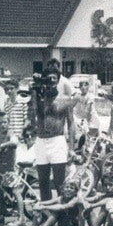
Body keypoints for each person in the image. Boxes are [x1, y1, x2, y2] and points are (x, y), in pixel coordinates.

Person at [28, 64, 76, 203]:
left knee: (59, 182)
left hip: (57, 141)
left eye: (54, 78)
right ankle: (46, 215)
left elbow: (71, 123)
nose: (52, 81)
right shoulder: (38, 98)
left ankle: (62, 216)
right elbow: (31, 116)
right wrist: (35, 90)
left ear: (59, 80)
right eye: (48, 79)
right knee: (42, 182)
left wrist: (71, 148)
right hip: (41, 141)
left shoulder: (65, 99)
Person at [17, 175, 84, 226]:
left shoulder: (76, 199)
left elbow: (63, 207)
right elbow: (45, 202)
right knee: (41, 209)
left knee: (57, 212)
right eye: (67, 187)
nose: (69, 189)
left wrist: (43, 207)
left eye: (72, 188)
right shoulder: (60, 198)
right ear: (62, 189)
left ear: (75, 192)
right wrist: (38, 204)